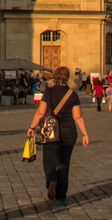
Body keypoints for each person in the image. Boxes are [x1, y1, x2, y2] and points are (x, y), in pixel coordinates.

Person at [26, 65, 90, 201]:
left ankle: (52, 180)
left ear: (55, 76)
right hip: (69, 132)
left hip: (50, 131)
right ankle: (61, 194)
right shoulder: (72, 94)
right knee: (64, 162)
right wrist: (85, 134)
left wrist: (32, 128)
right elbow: (78, 116)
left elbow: (41, 112)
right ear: (67, 78)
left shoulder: (48, 92)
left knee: (49, 160)